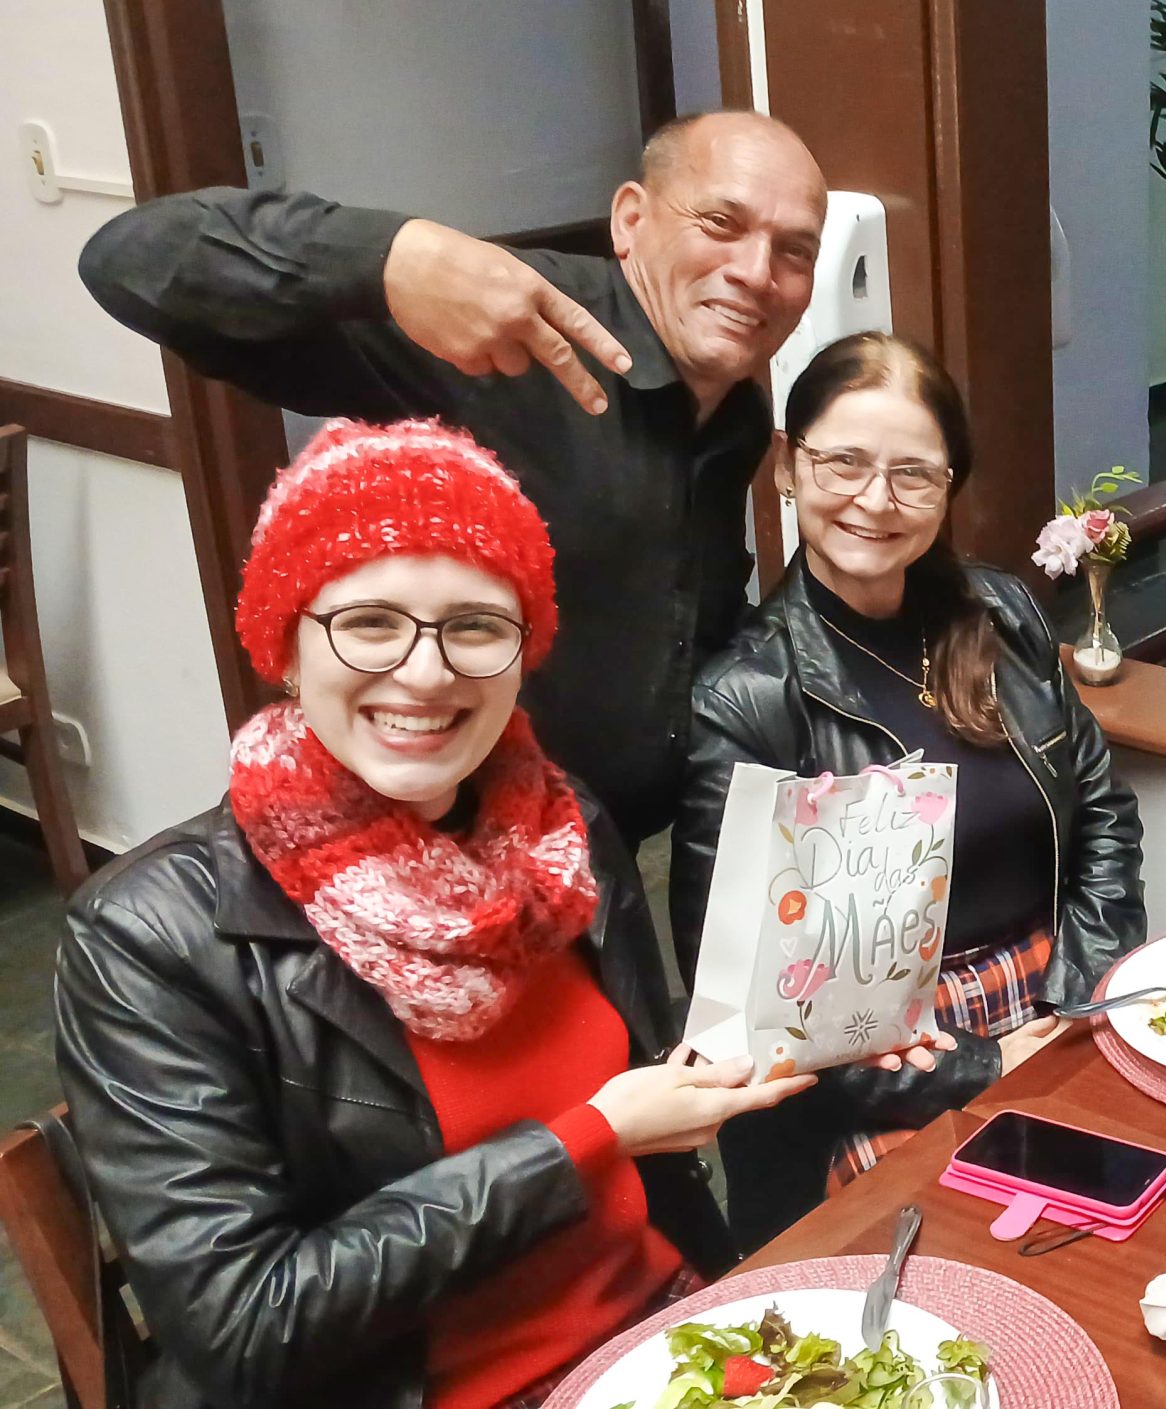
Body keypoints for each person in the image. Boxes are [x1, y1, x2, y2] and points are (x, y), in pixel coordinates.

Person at [51, 420, 941, 1409]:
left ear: (523, 652)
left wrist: (816, 1020)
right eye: (370, 621)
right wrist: (588, 1139)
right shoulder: (151, 936)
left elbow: (641, 1086)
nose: (427, 672)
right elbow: (243, 1327)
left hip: (660, 1336)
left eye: (475, 625)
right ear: (287, 646)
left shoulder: (564, 828)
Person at [78, 110, 828, 841]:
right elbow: (129, 258)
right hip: (442, 848)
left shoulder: (736, 418)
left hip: (602, 854)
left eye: (794, 251)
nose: (756, 273)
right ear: (631, 220)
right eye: (720, 223)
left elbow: (674, 612)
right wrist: (390, 259)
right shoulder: (503, 333)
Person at [673, 331, 1145, 1248]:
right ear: (788, 466)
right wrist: (982, 1064)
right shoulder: (749, 696)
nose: (876, 500)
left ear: (948, 485)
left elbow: (1102, 813)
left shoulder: (1000, 613)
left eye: (913, 474)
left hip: (1057, 993)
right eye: (843, 462)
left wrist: (1078, 1000)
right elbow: (751, 1002)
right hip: (886, 1065)